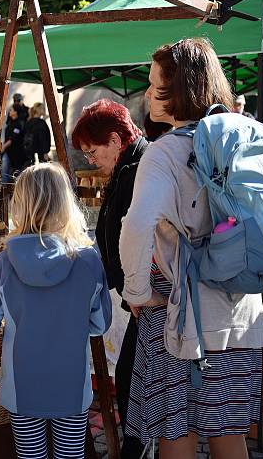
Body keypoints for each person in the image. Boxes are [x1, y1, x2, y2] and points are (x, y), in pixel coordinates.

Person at [120, 38, 263, 459]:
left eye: (154, 85)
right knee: (229, 438)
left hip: (182, 320)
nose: (146, 94)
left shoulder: (164, 153)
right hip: (242, 315)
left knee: (176, 435)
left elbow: (136, 227)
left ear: (179, 90)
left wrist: (135, 292)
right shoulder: (245, 135)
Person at [0, 163, 112, 459]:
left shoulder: (4, 262)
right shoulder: (88, 260)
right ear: (66, 202)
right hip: (72, 384)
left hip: (21, 386)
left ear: (19, 205)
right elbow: (100, 324)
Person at [71, 99, 149, 459]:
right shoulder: (126, 168)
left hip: (146, 299)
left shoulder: (138, 170)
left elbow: (140, 235)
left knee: (136, 383)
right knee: (132, 381)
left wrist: (136, 289)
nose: (91, 160)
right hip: (138, 296)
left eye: (92, 151)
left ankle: (137, 447)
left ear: (116, 140)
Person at [1, 106, 27, 184]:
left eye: (11, 110)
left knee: (13, 170)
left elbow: (12, 139)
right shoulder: (10, 123)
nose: (10, 111)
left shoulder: (18, 124)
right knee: (5, 170)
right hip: (8, 151)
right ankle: (4, 186)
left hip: (16, 153)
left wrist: (3, 146)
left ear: (16, 112)